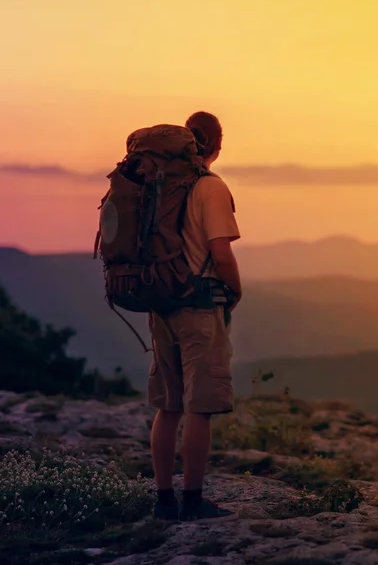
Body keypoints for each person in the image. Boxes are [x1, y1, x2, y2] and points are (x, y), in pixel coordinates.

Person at [147, 111, 242, 522]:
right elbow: (220, 253)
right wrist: (235, 291)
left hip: (161, 301)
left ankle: (164, 499)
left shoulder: (159, 184)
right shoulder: (211, 187)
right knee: (198, 407)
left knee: (168, 406)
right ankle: (192, 500)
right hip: (200, 305)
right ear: (217, 146)